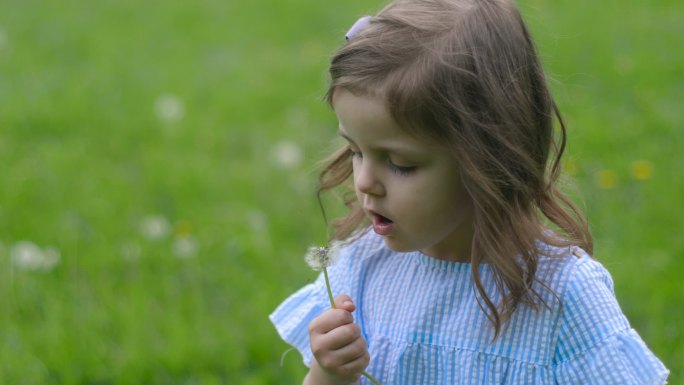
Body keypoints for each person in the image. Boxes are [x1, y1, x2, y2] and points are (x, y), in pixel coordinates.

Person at [270, 0, 670, 383]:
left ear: (487, 160)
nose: (363, 182)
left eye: (400, 164)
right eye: (356, 151)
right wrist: (330, 374)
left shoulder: (562, 295)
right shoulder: (359, 268)